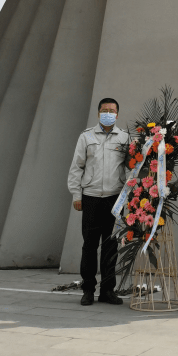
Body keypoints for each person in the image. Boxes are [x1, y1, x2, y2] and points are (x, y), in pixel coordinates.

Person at [68, 96, 128, 306]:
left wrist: (129, 195)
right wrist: (77, 194)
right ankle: (88, 290)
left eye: (112, 110)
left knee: (111, 247)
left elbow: (130, 168)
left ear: (117, 114)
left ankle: (107, 291)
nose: (108, 113)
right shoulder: (86, 137)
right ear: (98, 113)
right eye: (104, 110)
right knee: (90, 246)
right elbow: (77, 166)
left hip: (114, 199)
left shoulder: (124, 138)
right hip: (91, 198)